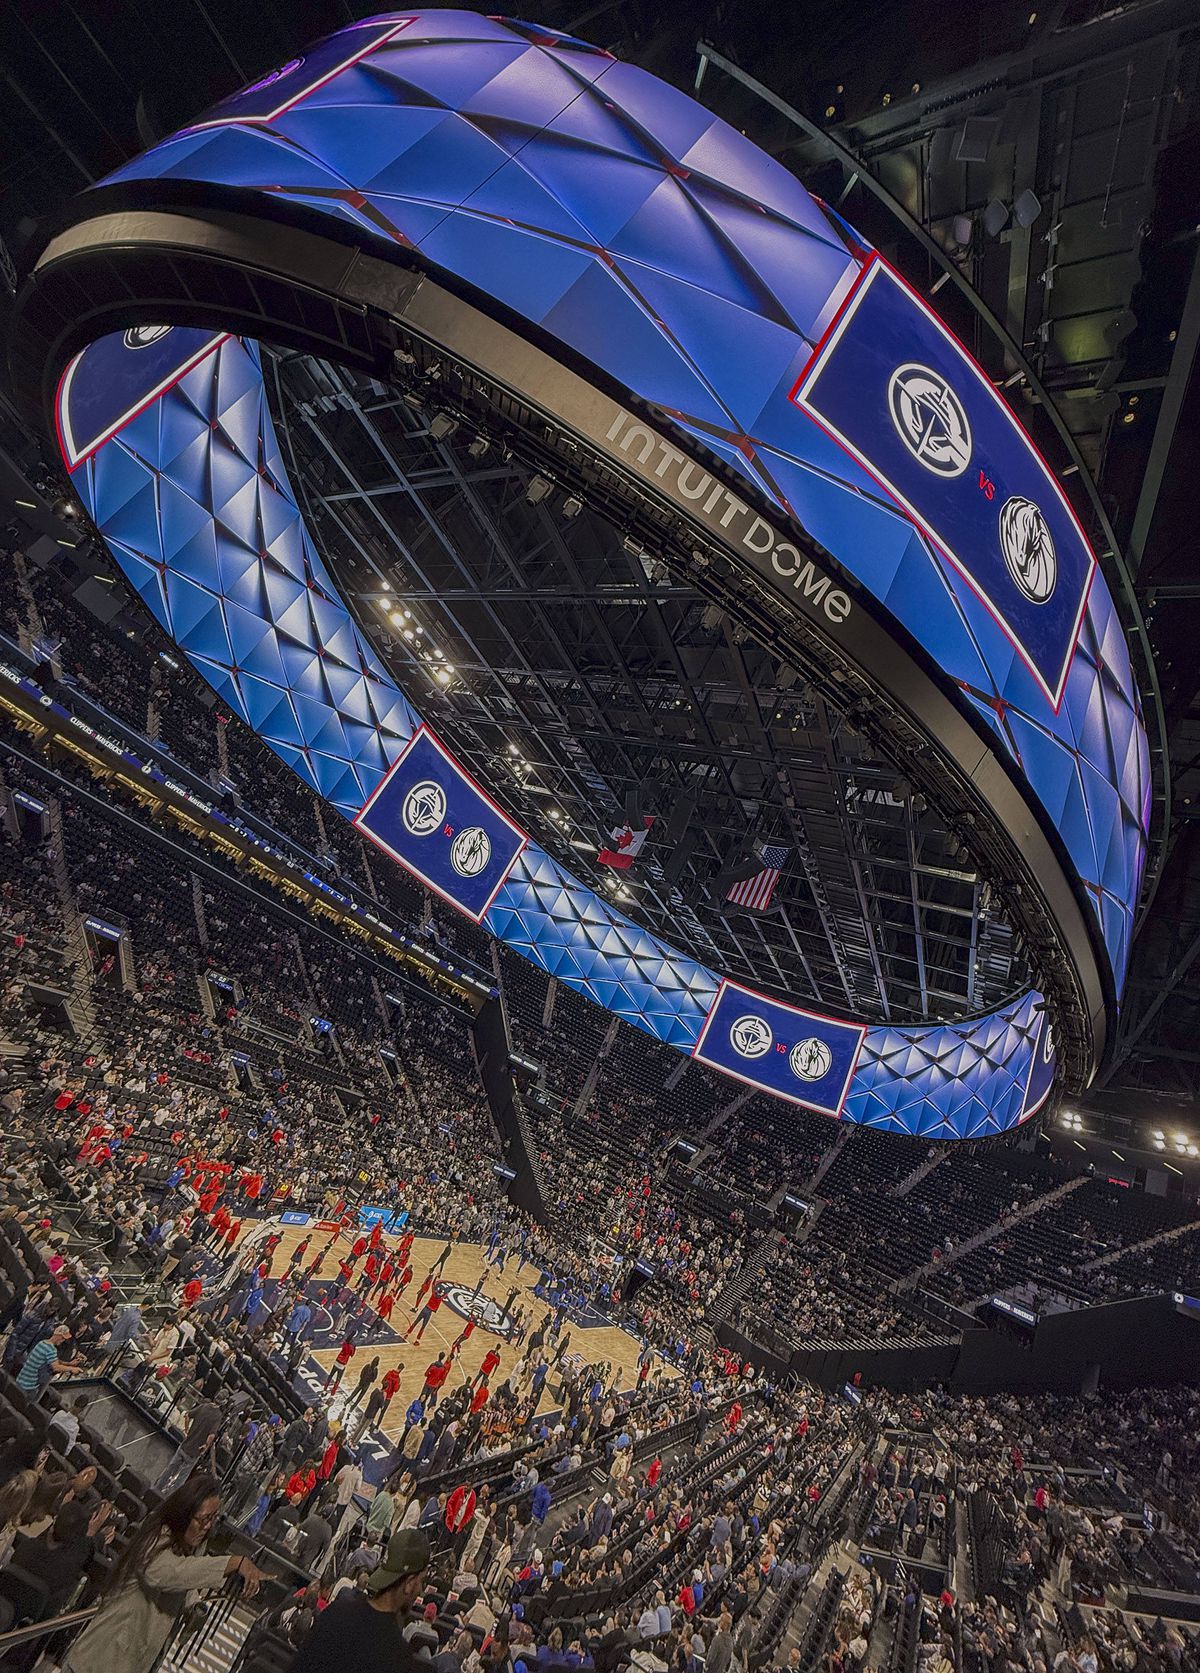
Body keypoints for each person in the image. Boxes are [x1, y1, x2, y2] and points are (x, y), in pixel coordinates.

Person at [61, 1473, 267, 1673]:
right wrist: (231, 1562)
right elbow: (166, 1574)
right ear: (185, 1513)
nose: (208, 1527)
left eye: (214, 1519)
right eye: (204, 1519)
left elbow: (180, 1577)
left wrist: (193, 1604)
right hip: (99, 1661)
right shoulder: (156, 1538)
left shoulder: (186, 1548)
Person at [288, 1526, 431, 1671]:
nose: (419, 1591)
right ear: (409, 1583)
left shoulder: (337, 1611)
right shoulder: (398, 1657)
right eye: (421, 1581)